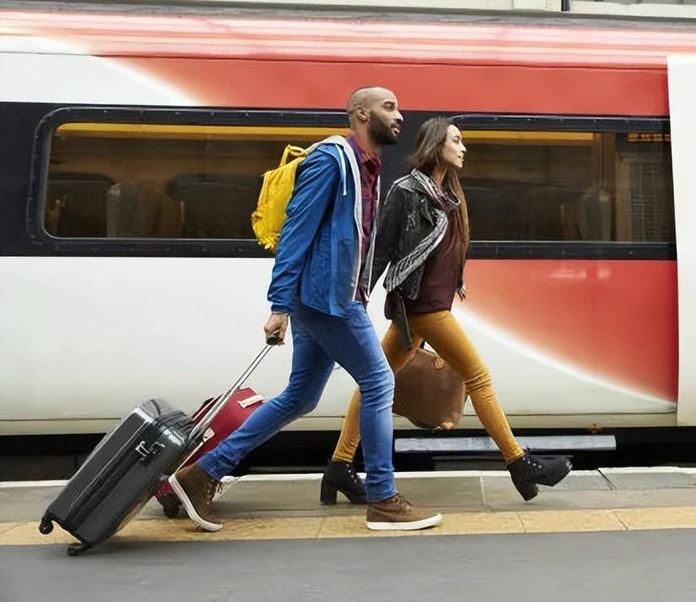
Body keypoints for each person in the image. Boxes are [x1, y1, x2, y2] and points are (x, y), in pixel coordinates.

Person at [170, 87, 442, 532]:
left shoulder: (367, 167)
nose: (399, 115)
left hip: (332, 297)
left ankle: (203, 473)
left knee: (301, 396)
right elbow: (297, 230)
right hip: (326, 299)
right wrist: (279, 304)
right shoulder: (331, 160)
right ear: (360, 113)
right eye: (388, 107)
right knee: (378, 382)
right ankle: (383, 498)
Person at [321, 117, 572, 504]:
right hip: (422, 308)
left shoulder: (447, 193)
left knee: (375, 383)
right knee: (478, 377)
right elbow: (383, 248)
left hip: (428, 305)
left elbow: (447, 249)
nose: (463, 147)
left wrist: (456, 279)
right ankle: (519, 463)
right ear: (436, 145)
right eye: (456, 141)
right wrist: (355, 302)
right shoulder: (405, 191)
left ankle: (338, 466)